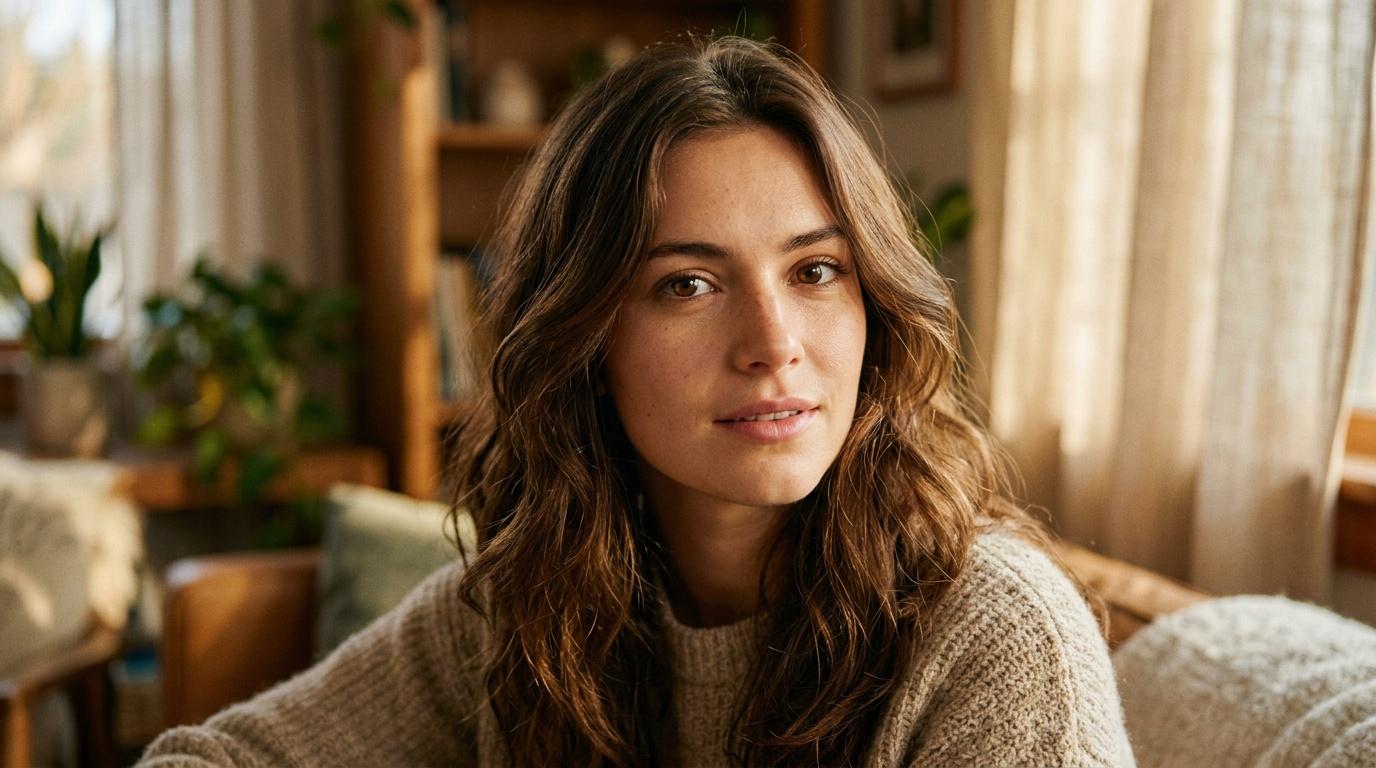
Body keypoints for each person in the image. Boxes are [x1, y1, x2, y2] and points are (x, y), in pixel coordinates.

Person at [140, 36, 1134, 767]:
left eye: (816, 271)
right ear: (583, 340)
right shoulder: (526, 609)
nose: (773, 344)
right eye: (686, 285)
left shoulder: (998, 637)